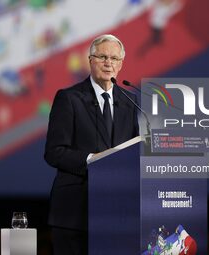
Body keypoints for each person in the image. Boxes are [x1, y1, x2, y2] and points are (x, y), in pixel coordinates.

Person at [44, 34, 139, 255]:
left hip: (116, 214)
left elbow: (133, 152)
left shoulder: (129, 102)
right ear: (90, 60)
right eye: (103, 56)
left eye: (114, 58)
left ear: (121, 64)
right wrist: (92, 161)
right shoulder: (69, 98)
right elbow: (54, 152)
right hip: (74, 212)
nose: (108, 63)